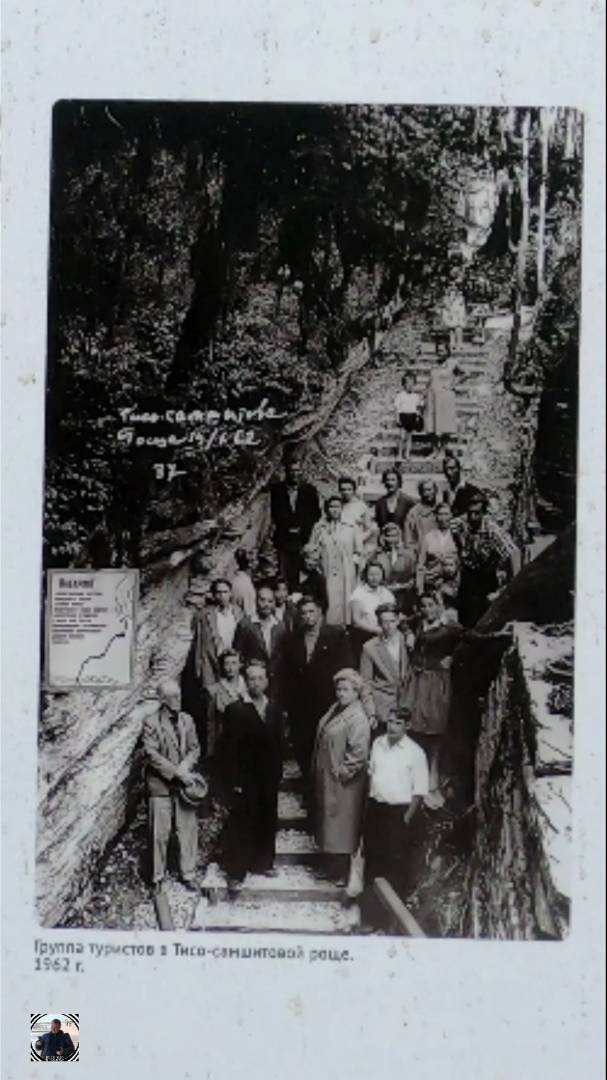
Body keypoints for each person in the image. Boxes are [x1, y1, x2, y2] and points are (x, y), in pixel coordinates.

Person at [218, 660, 283, 889]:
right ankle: (236, 872)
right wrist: (234, 779)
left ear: (267, 681)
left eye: (260, 678)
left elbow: (279, 743)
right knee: (243, 821)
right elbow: (228, 749)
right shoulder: (235, 709)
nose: (256, 683)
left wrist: (278, 772)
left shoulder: (274, 708)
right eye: (251, 678)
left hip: (269, 775)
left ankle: (263, 862)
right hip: (246, 777)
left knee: (268, 817)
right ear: (245, 681)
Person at [362, 708, 429, 923]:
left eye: (398, 723)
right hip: (376, 810)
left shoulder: (415, 752)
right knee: (373, 860)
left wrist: (406, 818)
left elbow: (419, 791)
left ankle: (390, 921)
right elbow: (372, 775)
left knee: (395, 864)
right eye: (390, 721)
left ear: (407, 726)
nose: (392, 727)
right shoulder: (378, 744)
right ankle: (369, 918)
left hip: (398, 812)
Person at [279, 595, 354, 785]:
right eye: (303, 613)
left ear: (320, 612)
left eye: (311, 611)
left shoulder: (336, 635)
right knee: (302, 744)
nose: (308, 616)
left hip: (327, 700)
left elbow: (346, 666)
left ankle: (325, 785)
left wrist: (343, 697)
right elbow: (285, 673)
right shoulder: (291, 638)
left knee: (326, 743)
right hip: (300, 703)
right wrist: (286, 703)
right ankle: (308, 784)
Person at [312, 669, 371, 884]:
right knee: (330, 821)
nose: (341, 693)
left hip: (345, 783)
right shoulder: (336, 709)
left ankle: (342, 871)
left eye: (346, 690)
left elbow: (359, 752)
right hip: (329, 776)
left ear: (356, 692)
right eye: (339, 689)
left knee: (343, 823)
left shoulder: (358, 717)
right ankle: (330, 866)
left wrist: (344, 772)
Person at [143, 679, 201, 892]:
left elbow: (195, 748)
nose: (178, 699)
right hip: (160, 785)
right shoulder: (151, 722)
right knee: (159, 833)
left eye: (179, 695)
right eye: (173, 696)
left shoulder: (187, 720)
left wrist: (186, 765)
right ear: (162, 699)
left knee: (188, 829)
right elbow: (152, 754)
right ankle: (157, 877)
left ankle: (188, 873)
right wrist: (177, 772)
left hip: (184, 787)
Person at [452, 495, 518, 626]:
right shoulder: (460, 523)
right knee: (464, 618)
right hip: (468, 576)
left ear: (484, 513)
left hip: (486, 578)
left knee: (483, 620)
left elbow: (514, 553)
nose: (472, 517)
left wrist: (512, 585)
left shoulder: (493, 530)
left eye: (477, 513)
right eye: (470, 513)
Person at [308, 495, 364, 626]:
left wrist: (354, 567)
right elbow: (312, 549)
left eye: (337, 506)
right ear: (326, 509)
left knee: (346, 598)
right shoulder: (319, 527)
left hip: (346, 570)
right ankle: (329, 627)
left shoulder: (351, 526)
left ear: (342, 508)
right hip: (326, 568)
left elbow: (359, 550)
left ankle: (346, 627)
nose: (334, 510)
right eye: (331, 506)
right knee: (329, 597)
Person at [269, 453, 321, 591]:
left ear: (301, 471)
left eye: (297, 470)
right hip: (283, 540)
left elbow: (315, 515)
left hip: (302, 540)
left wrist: (302, 529)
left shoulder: (309, 490)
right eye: (291, 470)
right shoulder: (276, 490)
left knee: (302, 574)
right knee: (283, 574)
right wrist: (287, 528)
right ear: (286, 471)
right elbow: (274, 514)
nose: (294, 474)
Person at [360, 603, 410, 733]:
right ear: (378, 623)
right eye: (384, 622)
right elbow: (365, 682)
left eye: (392, 621)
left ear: (398, 621)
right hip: (383, 707)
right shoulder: (369, 647)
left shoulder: (407, 640)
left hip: (406, 705)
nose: (388, 626)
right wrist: (371, 712)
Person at [233, 582, 288, 686]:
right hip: (253, 680)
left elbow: (284, 655)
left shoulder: (281, 626)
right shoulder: (245, 625)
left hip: (276, 681)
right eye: (262, 600)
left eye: (270, 601)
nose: (266, 604)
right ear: (256, 601)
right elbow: (238, 654)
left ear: (274, 603)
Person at [349, 560, 397, 664]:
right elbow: (356, 621)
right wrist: (376, 630)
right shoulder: (359, 593)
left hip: (385, 636)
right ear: (366, 575)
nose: (374, 578)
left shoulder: (387, 593)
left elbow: (394, 616)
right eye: (371, 574)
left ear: (382, 575)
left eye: (377, 574)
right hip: (364, 636)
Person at [205, 648, 247, 764]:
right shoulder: (214, 691)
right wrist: (211, 752)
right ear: (222, 666)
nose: (230, 668)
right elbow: (211, 722)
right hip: (225, 743)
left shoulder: (248, 687)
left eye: (234, 663)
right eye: (227, 663)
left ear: (240, 665)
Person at [374, 521, 418, 619]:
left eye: (394, 536)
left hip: (403, 597)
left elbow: (413, 577)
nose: (391, 539)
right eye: (388, 536)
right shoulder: (377, 555)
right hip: (383, 596)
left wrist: (402, 586)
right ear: (383, 537)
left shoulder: (408, 554)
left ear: (399, 536)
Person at [416, 502, 460, 596]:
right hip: (431, 585)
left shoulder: (457, 537)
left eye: (446, 514)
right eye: (440, 514)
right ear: (436, 516)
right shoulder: (428, 537)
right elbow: (421, 565)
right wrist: (420, 590)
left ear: (451, 515)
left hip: (452, 587)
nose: (443, 518)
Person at [423, 349, 461, 449]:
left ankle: (442, 450)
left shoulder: (453, 363)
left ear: (447, 352)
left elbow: (465, 374)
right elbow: (430, 379)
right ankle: (435, 450)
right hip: (432, 396)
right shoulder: (434, 364)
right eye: (438, 351)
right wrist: (425, 391)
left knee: (445, 424)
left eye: (442, 351)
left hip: (445, 396)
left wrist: (452, 385)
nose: (439, 353)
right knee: (432, 424)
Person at [338, 475, 378, 555]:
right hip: (338, 546)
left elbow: (369, 529)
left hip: (354, 547)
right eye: (343, 489)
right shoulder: (336, 505)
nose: (346, 492)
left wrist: (359, 539)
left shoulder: (361, 506)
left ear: (354, 490)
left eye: (349, 489)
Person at [374, 468, 416, 532]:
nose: (390, 483)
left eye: (393, 480)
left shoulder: (408, 502)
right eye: (387, 480)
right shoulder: (380, 503)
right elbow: (378, 524)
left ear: (399, 482)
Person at [290, 545, 329, 614]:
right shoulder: (292, 572)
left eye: (316, 560)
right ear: (303, 557)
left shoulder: (319, 579)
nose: (312, 563)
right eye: (308, 558)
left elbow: (324, 605)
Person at [404, 479, 440, 554]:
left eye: (429, 490)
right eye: (424, 490)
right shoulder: (413, 513)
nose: (427, 493)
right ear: (420, 493)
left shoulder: (442, 509)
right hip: (422, 554)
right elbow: (408, 539)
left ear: (435, 491)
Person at [394, 372, 423, 458]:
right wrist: (397, 418)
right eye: (408, 383)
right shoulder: (400, 395)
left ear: (414, 384)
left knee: (409, 437)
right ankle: (399, 453)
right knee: (402, 436)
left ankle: (407, 453)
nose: (410, 386)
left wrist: (418, 416)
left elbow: (418, 407)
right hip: (403, 416)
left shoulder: (416, 396)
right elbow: (397, 408)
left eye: (412, 384)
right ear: (404, 384)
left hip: (412, 416)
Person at [231, 548, 257, 618]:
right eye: (255, 560)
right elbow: (248, 612)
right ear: (250, 564)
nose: (257, 563)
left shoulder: (237, 579)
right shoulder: (244, 583)